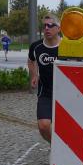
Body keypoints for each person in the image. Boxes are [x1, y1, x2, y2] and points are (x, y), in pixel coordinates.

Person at [27, 14, 61, 142]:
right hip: (45, 92)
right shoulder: (36, 46)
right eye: (45, 26)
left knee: (66, 126)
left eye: (51, 25)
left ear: (59, 28)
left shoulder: (67, 46)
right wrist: (34, 75)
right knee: (43, 126)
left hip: (65, 92)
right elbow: (31, 60)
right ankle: (55, 146)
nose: (47, 28)